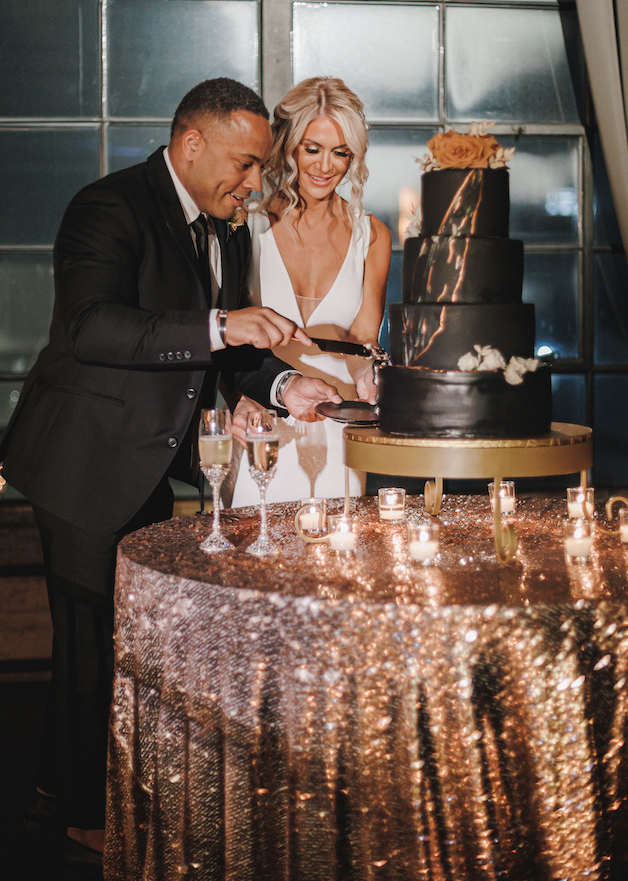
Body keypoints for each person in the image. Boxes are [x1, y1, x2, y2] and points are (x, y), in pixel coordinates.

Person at [0, 77, 340, 875]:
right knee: (94, 640)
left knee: (119, 636)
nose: (256, 182)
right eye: (247, 163)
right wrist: (222, 323)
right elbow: (91, 326)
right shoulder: (108, 207)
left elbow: (236, 353)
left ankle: (54, 789)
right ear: (192, 144)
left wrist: (287, 386)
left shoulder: (226, 229)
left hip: (151, 460)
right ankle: (87, 819)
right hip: (83, 455)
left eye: (259, 168)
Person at [228, 76, 391, 507]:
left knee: (336, 555)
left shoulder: (371, 235)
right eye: (312, 149)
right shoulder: (248, 226)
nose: (325, 166)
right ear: (290, 147)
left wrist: (367, 372)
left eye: (340, 152)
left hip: (340, 418)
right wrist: (241, 399)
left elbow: (365, 342)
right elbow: (227, 333)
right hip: (262, 412)